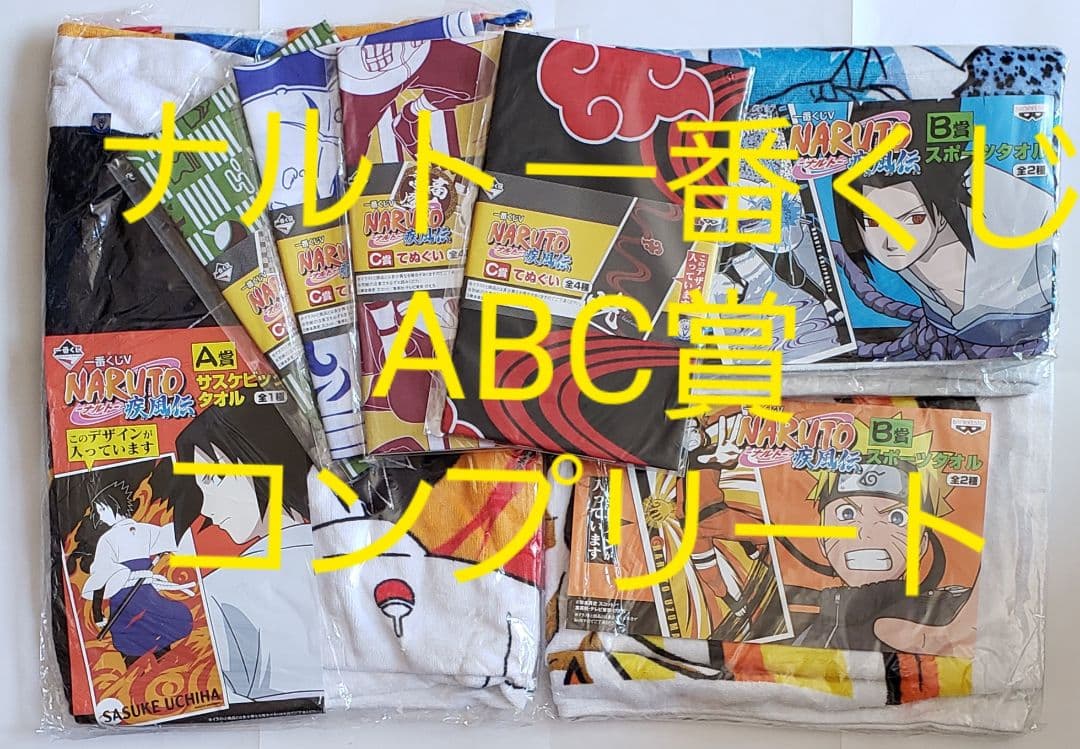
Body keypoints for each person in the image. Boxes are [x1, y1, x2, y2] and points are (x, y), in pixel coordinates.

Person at [152, 394, 324, 703]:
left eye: (213, 478)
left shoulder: (221, 592)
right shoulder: (360, 547)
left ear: (260, 455)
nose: (206, 507)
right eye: (200, 488)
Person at [79, 482, 195, 668]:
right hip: (126, 595)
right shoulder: (136, 532)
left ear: (113, 505)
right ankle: (153, 661)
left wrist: (98, 614)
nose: (99, 515)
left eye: (101, 509)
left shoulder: (113, 538)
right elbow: (102, 578)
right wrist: (98, 614)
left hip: (141, 594)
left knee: (152, 625)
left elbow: (100, 579)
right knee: (136, 630)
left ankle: (158, 660)